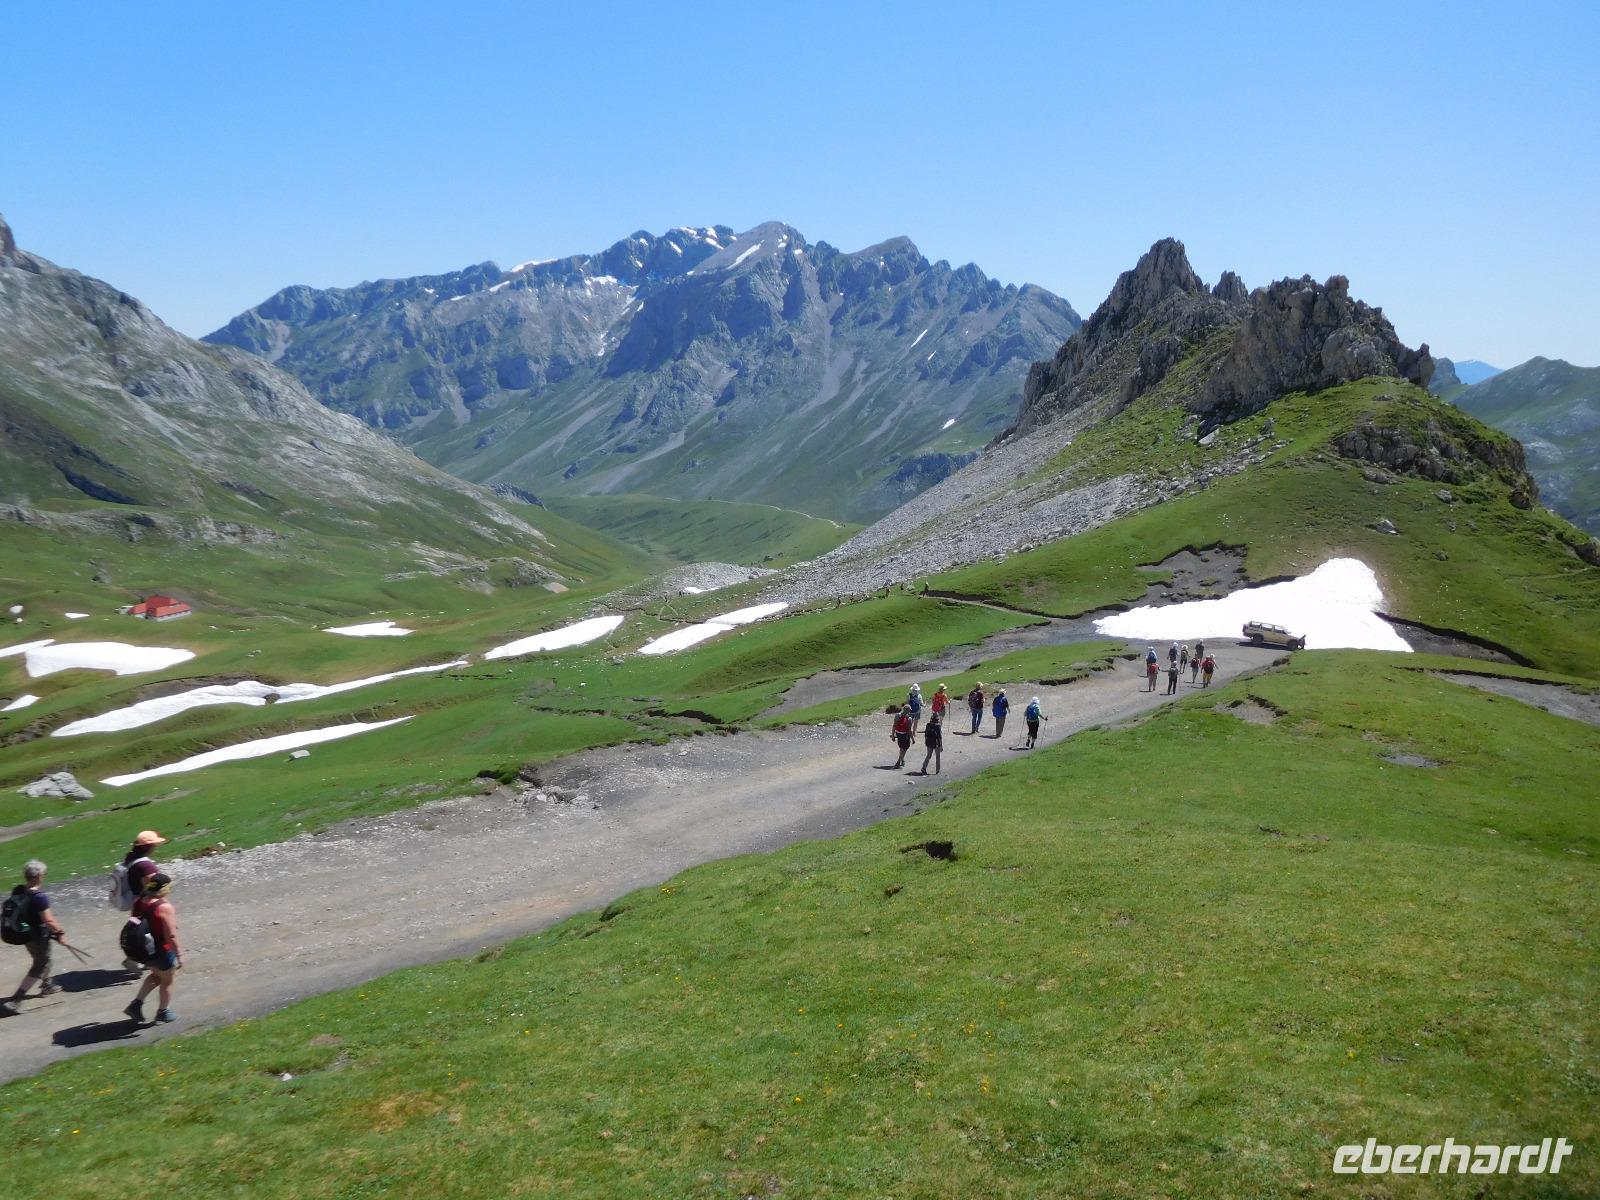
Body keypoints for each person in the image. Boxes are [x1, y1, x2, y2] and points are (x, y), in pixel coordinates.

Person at [0, 860, 64, 1017]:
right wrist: (60, 933)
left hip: (25, 934)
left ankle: (47, 985)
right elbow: (48, 920)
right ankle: (16, 999)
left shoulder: (19, 890)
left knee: (43, 959)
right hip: (38, 936)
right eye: (43, 874)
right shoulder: (39, 897)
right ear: (38, 876)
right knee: (40, 965)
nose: (44, 877)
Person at [124, 873, 181, 1025]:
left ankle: (136, 1004)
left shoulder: (140, 901)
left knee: (156, 976)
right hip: (162, 949)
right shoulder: (164, 907)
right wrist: (179, 955)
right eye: (169, 887)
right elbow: (172, 936)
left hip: (144, 950)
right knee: (168, 980)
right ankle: (163, 1012)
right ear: (163, 888)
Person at [115, 830, 166, 968]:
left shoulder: (131, 859)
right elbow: (154, 887)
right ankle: (144, 959)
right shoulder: (146, 866)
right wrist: (163, 903)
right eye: (154, 845)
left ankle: (135, 958)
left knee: (140, 931)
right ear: (149, 847)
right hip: (147, 904)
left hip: (136, 903)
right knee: (153, 931)